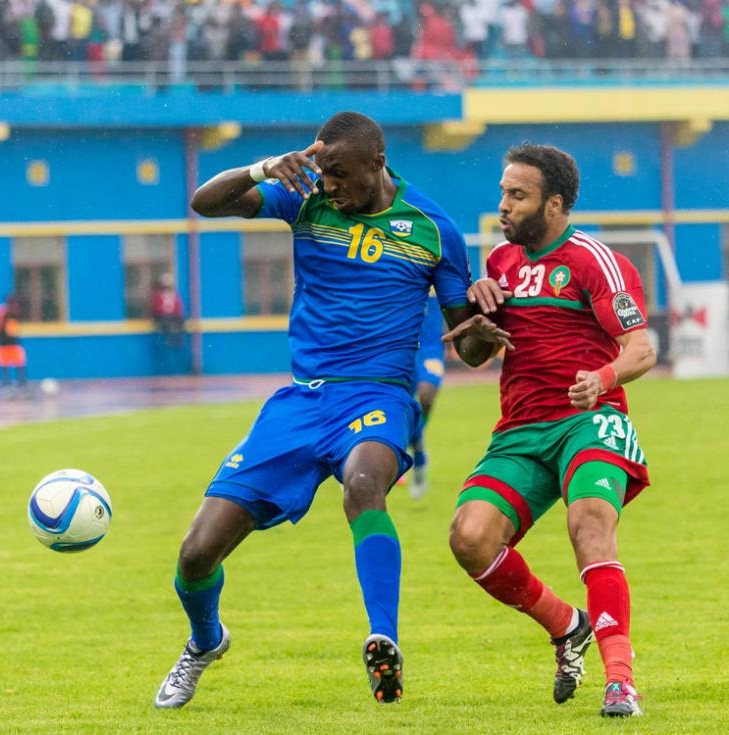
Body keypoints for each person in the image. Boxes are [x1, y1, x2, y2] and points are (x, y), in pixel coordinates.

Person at [154, 111, 473, 710]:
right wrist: (262, 168)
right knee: (196, 553)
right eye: (322, 173)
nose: (329, 186)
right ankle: (205, 641)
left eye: (341, 175)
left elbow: (471, 343)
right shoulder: (303, 198)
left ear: (376, 164)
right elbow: (204, 202)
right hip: (302, 399)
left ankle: (385, 639)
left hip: (378, 392)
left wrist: (483, 317)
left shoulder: (433, 227)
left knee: (363, 483)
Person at [446, 143, 656, 718]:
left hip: (590, 420)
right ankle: (567, 626)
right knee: (470, 538)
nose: (504, 206)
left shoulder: (593, 260)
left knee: (588, 522)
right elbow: (473, 356)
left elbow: (642, 347)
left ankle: (620, 682)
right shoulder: (500, 266)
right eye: (503, 193)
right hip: (520, 430)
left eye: (518, 195)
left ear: (555, 203)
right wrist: (476, 323)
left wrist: (603, 376)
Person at [404, 291, 446, 500]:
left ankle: (416, 448)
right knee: (403, 405)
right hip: (403, 346)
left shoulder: (437, 263)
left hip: (430, 348)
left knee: (427, 394)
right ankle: (419, 456)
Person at [0, 293, 28, 398]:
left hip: (14, 344)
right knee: (4, 366)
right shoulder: (2, 311)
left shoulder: (16, 314)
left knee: (20, 364)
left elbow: (15, 330)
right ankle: (6, 387)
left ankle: (22, 387)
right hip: (3, 344)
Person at [150, 272, 186, 348]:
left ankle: (178, 340)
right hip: (162, 316)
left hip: (172, 316)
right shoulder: (158, 296)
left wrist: (176, 314)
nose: (167, 288)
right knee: (165, 323)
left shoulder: (174, 296)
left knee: (180, 322)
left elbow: (178, 306)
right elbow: (156, 307)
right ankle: (169, 340)